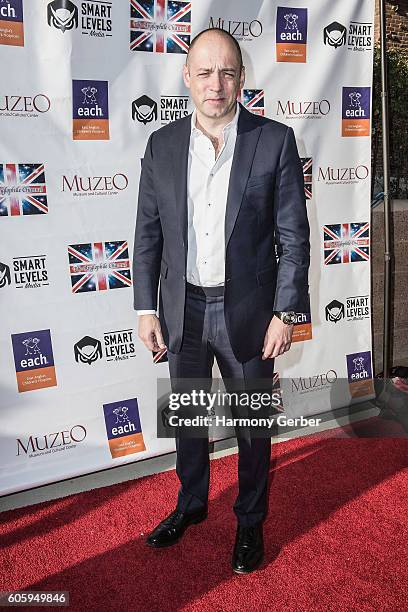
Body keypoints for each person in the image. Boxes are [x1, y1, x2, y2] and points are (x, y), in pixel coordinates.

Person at [133, 27, 310, 574]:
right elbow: (147, 232)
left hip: (252, 314)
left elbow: (293, 235)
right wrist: (145, 307)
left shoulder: (274, 140)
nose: (216, 83)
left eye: (227, 72)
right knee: (186, 418)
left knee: (253, 428)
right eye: (205, 72)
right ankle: (190, 505)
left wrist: (285, 313)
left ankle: (251, 521)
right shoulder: (161, 144)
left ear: (241, 78)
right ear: (187, 77)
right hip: (181, 307)